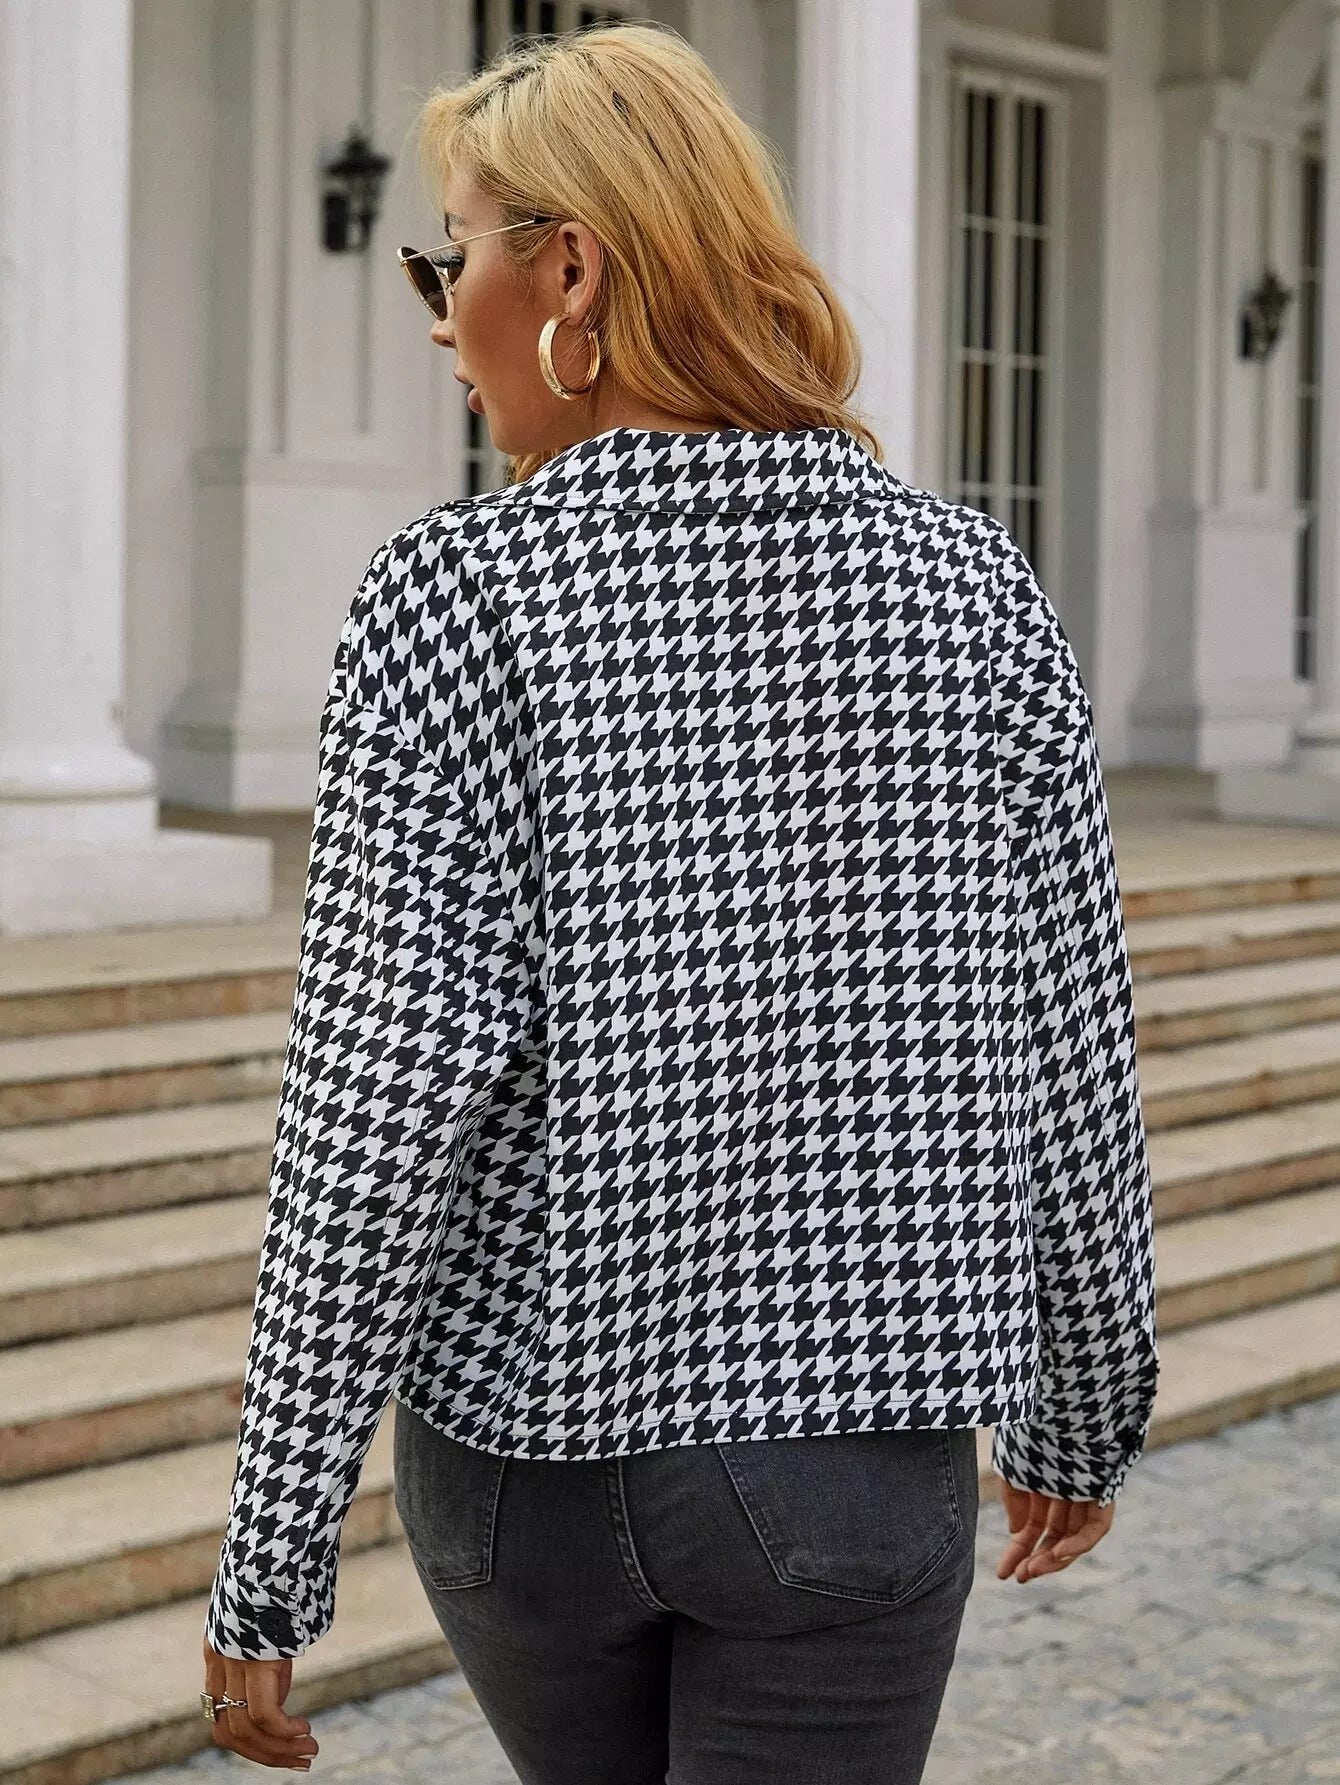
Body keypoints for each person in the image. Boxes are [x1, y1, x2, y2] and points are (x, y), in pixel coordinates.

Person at [198, 19, 1159, 1783]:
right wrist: (1086, 1407)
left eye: (450, 254)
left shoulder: (456, 596)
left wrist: (271, 1547)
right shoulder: (970, 586)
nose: (439, 314)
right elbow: (1070, 1049)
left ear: (568, 269)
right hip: (849, 1447)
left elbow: (372, 1104)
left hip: (527, 1458)